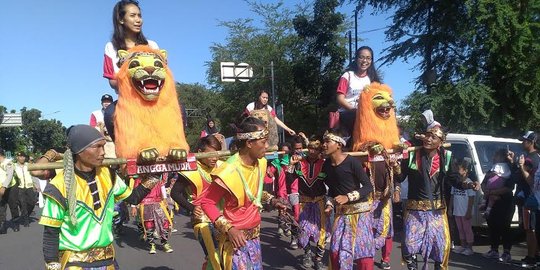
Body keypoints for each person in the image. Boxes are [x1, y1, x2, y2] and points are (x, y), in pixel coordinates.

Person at [37, 125, 159, 270]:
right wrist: (52, 264)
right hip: (74, 264)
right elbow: (51, 232)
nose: (102, 152)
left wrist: (156, 174)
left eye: (103, 146)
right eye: (97, 147)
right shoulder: (59, 185)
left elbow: (133, 198)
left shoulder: (108, 174)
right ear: (79, 151)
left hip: (107, 261)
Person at [200, 117, 287, 270]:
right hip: (234, 242)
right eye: (263, 141)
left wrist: (272, 200)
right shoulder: (228, 171)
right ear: (249, 143)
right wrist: (229, 229)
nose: (267, 146)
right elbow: (207, 203)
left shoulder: (261, 163)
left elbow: (254, 193)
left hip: (254, 239)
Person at [397, 126, 479, 270]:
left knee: (441, 246)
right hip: (414, 209)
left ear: (440, 142)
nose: (428, 139)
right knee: (410, 245)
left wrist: (469, 185)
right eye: (427, 135)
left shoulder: (446, 157)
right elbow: (400, 177)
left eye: (433, 137)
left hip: (437, 210)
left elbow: (454, 179)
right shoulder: (411, 155)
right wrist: (394, 166)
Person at [322, 130, 374, 270]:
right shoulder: (326, 165)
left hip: (360, 214)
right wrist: (329, 204)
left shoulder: (352, 162)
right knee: (335, 252)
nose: (324, 145)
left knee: (363, 253)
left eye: (328, 141)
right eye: (324, 141)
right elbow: (331, 190)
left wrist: (348, 197)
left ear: (338, 144)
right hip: (341, 214)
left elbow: (368, 187)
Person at [171, 135, 224, 269]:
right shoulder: (191, 169)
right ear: (200, 152)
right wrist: (192, 207)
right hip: (202, 220)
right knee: (214, 256)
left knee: (225, 255)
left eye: (217, 153)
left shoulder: (221, 166)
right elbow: (175, 193)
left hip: (222, 217)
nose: (215, 158)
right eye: (211, 154)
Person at [287, 137, 327, 269]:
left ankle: (319, 258)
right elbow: (290, 180)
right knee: (304, 229)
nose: (312, 151)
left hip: (320, 201)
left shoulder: (324, 163)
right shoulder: (299, 162)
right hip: (304, 201)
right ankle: (307, 253)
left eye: (315, 149)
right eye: (310, 148)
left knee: (322, 230)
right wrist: (291, 165)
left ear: (319, 150)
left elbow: (332, 182)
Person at [103, 0, 159, 92]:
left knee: (180, 107)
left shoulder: (152, 45)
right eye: (132, 15)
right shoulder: (111, 47)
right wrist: (135, 82)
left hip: (154, 98)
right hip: (127, 99)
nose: (138, 20)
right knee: (110, 108)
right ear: (121, 19)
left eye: (139, 15)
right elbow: (112, 81)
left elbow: (163, 73)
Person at [335, 46, 382, 138]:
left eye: (368, 58)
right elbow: (340, 98)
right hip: (348, 114)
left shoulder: (372, 79)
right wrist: (354, 110)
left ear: (371, 61)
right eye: (361, 57)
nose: (365, 61)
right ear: (356, 59)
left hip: (366, 115)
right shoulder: (347, 75)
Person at [511, 131, 540, 267]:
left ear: (531, 142)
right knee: (533, 228)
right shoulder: (536, 157)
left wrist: (521, 166)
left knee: (530, 229)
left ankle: (531, 257)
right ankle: (534, 256)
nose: (523, 143)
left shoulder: (530, 159)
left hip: (530, 198)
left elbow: (528, 180)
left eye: (525, 141)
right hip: (532, 198)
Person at [448, 159, 475, 256]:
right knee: (460, 229)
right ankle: (463, 246)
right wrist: (450, 208)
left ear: (465, 170)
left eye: (458, 169)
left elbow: (471, 198)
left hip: (465, 211)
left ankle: (470, 248)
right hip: (457, 211)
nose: (456, 171)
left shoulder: (469, 182)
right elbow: (452, 196)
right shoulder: (455, 182)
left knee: (467, 229)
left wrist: (468, 211)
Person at [479, 149, 511, 218]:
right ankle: (487, 210)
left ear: (502, 158)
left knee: (489, 196)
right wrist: (486, 190)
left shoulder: (498, 166)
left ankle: (484, 204)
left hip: (502, 206)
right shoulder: (507, 168)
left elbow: (509, 188)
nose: (493, 158)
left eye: (496, 156)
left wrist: (490, 191)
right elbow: (483, 183)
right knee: (491, 199)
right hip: (492, 193)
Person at [13, 152, 38, 228]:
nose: (22, 158)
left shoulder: (28, 165)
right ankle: (26, 220)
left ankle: (26, 214)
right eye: (20, 157)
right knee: (23, 204)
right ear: (17, 157)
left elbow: (33, 174)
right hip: (20, 188)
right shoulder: (14, 166)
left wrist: (35, 184)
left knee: (32, 202)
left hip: (29, 187)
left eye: (23, 156)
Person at [0, 147, 18, 234]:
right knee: (1, 207)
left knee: (13, 206)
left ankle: (15, 223)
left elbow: (10, 175)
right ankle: (3, 225)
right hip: (1, 188)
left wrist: (4, 187)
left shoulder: (8, 162)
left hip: (10, 187)